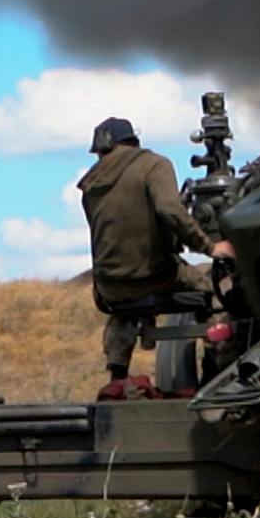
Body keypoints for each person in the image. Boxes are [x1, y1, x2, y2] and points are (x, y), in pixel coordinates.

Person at [78, 116, 222, 390]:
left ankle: (118, 376)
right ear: (133, 141)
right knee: (216, 293)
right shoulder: (154, 165)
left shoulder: (90, 186)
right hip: (155, 274)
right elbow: (170, 209)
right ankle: (214, 370)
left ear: (101, 150)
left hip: (110, 287)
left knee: (123, 311)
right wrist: (210, 247)